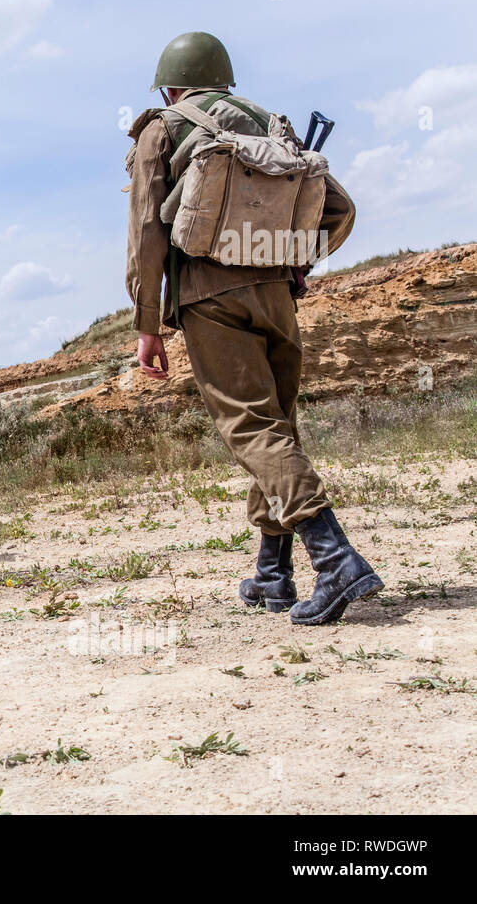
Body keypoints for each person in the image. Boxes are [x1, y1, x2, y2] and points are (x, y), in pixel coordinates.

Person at [125, 31, 380, 625]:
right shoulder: (269, 124)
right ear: (224, 78)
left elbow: (146, 232)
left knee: (253, 429)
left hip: (210, 297)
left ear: (170, 84)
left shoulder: (161, 128)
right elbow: (339, 208)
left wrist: (147, 326)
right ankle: (272, 572)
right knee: (278, 429)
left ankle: (335, 557)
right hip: (277, 297)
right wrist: (294, 258)